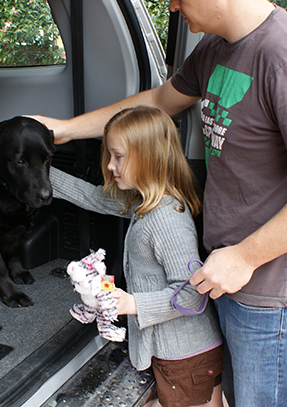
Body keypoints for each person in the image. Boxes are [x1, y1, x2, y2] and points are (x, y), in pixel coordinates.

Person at [31, 0, 287, 407]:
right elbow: (158, 103)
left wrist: (245, 257)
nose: (172, 3)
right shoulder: (216, 50)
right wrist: (62, 130)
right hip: (232, 273)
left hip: (275, 286)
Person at [52, 105, 223, 407]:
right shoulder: (143, 203)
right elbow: (93, 198)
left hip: (185, 355)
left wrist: (132, 303)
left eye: (118, 157)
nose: (109, 165)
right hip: (176, 352)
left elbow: (192, 294)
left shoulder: (167, 219)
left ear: (149, 158)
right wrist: (40, 174)